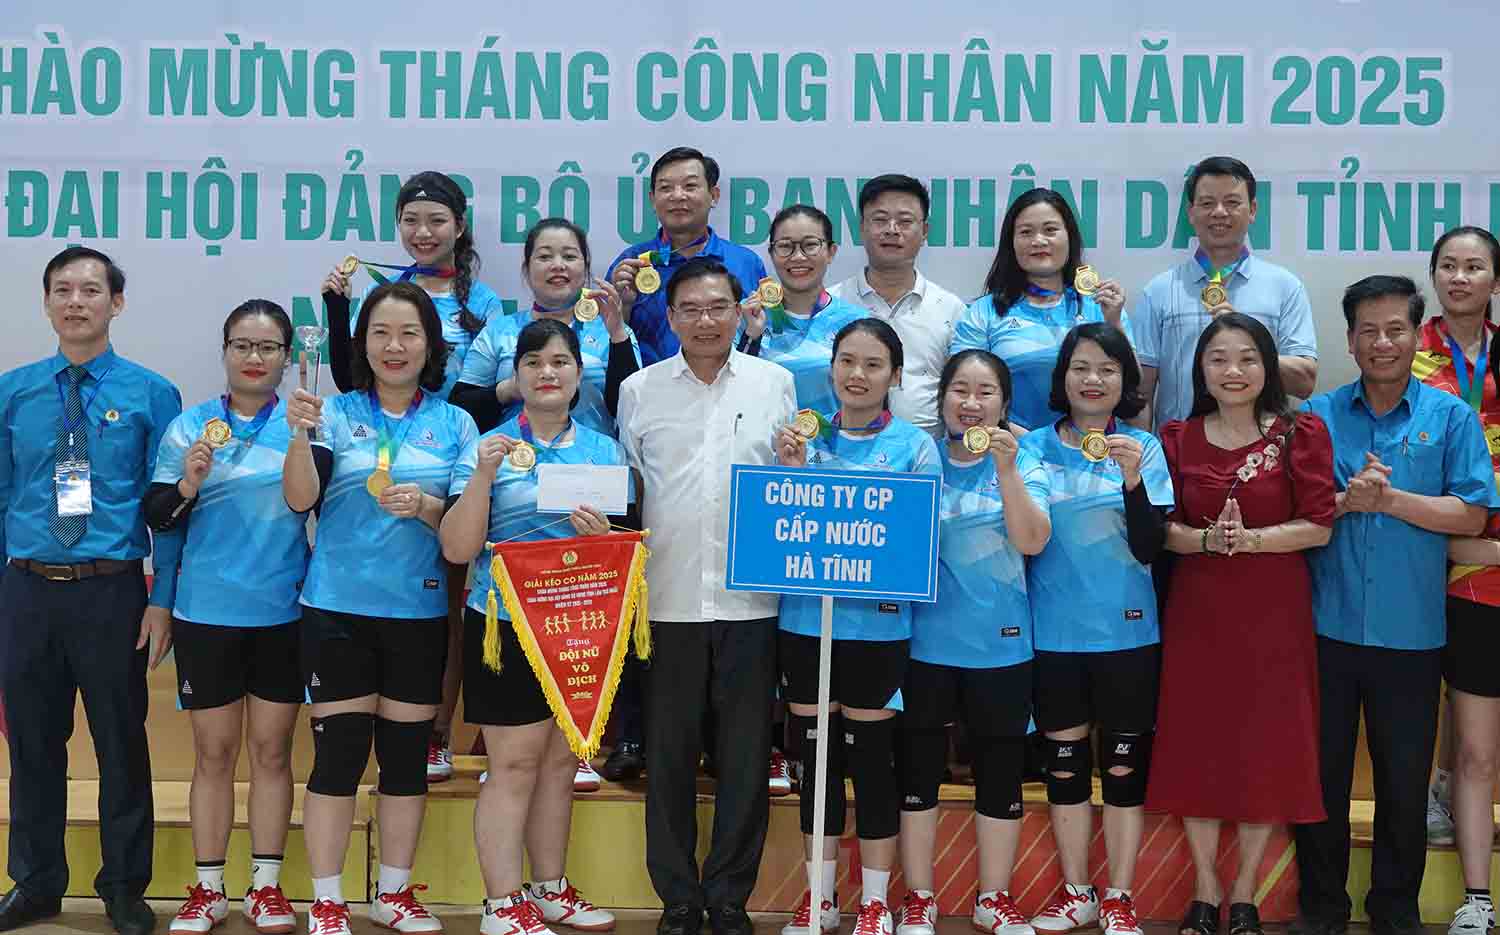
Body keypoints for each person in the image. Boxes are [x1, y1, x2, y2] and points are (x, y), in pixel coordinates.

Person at [1297, 276, 1497, 935]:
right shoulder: (1319, 416)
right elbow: (1300, 511)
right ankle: (1322, 909)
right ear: (1349, 340)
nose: (1383, 342)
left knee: (1404, 786)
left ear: (1417, 335)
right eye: (1368, 331)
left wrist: (1390, 501)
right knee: (1322, 781)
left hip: (1412, 631)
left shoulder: (1451, 417)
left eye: (1396, 329)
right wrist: (1347, 500)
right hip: (1326, 626)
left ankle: (1394, 910)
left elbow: (1471, 511)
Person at [282, 281, 479, 935]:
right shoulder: (334, 412)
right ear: (362, 343)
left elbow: (461, 532)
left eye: (409, 333)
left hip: (418, 615)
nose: (394, 347)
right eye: (380, 333)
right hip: (336, 608)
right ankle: (330, 898)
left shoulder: (455, 422)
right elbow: (298, 499)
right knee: (337, 757)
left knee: (402, 759)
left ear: (431, 345)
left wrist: (426, 507)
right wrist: (298, 435)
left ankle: (393, 893)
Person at [0, 246, 181, 935]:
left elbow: (167, 507)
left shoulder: (150, 393)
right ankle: (36, 883)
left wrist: (161, 597)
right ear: (46, 303)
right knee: (33, 747)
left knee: (120, 742)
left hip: (111, 594)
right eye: (63, 290)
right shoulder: (12, 390)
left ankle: (125, 887)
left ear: (117, 303)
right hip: (26, 590)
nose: (77, 301)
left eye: (91, 290)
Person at [616, 257, 796, 935]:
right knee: (667, 760)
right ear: (670, 317)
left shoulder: (776, 383)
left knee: (746, 760)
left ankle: (729, 898)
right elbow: (625, 493)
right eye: (689, 309)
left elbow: (791, 483)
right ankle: (678, 901)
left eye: (717, 306)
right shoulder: (639, 390)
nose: (705, 320)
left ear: (738, 309)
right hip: (666, 603)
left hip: (754, 604)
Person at [1146, 312, 1335, 935]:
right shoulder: (1174, 438)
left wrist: (1250, 542)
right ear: (1199, 369)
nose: (1234, 370)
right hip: (1199, 609)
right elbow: (1158, 531)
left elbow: (1317, 524)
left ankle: (1247, 893)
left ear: (1268, 367)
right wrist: (1203, 540)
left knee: (1266, 748)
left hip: (1273, 612)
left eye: (1248, 357)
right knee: (1195, 744)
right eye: (1219, 358)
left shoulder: (1300, 434)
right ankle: (1204, 890)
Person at [442, 319, 628, 935]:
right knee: (515, 764)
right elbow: (456, 548)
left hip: (577, 625)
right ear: (515, 376)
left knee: (557, 763)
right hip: (503, 622)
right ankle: (501, 902)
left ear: (579, 374)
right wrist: (482, 477)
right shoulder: (486, 445)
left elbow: (620, 557)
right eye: (534, 363)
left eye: (560, 362)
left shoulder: (603, 449)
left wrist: (605, 538)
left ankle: (549, 888)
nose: (548, 373)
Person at [321, 171, 503, 782]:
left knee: (452, 609)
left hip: (450, 458)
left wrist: (456, 452)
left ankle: (440, 731)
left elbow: (482, 393)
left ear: (460, 226)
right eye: (411, 222)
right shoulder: (386, 288)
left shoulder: (484, 302)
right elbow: (354, 384)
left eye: (436, 221)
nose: (422, 233)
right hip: (381, 468)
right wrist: (336, 308)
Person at [774, 319, 942, 935]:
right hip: (803, 622)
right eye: (847, 361)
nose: (857, 375)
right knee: (816, 768)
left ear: (896, 376)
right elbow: (780, 531)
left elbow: (916, 543)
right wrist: (791, 473)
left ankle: (874, 902)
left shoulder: (915, 448)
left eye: (873, 365)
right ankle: (819, 900)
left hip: (877, 628)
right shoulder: (803, 440)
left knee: (872, 763)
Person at [144, 301, 307, 935]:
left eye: (268, 348)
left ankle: (265, 888)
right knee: (214, 754)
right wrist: (186, 485)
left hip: (282, 613)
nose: (254, 358)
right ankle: (208, 887)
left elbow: (316, 502)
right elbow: (158, 515)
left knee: (271, 752)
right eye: (242, 345)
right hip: (205, 613)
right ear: (225, 352)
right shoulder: (189, 427)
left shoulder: (302, 424)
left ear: (287, 358)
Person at [1020, 325, 1173, 935]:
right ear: (1063, 378)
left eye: (1108, 369)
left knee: (1122, 768)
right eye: (1081, 367)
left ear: (1125, 383)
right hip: (1053, 635)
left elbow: (1149, 547)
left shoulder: (1144, 448)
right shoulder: (1029, 448)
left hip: (1128, 637)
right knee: (1064, 765)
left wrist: (1134, 481)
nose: (1093, 379)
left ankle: (1120, 896)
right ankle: (1077, 890)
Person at [892, 350, 1050, 935]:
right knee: (918, 773)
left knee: (1001, 773)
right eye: (960, 390)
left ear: (1005, 404)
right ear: (942, 401)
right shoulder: (919, 458)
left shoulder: (1025, 459)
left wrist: (1007, 471)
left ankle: (995, 897)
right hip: (924, 645)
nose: (971, 403)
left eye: (986, 392)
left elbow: (1032, 541)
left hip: (1002, 646)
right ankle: (920, 898)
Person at [1411, 227, 1500, 935]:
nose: (1461, 276)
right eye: (1450, 265)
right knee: (1452, 720)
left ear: (1495, 279)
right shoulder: (1404, 355)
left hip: (1491, 569)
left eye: (1475, 266)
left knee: (1479, 737)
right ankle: (1472, 889)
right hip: (1429, 558)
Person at [1132, 156, 1318, 428]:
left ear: (1252, 210)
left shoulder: (1285, 286)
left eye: (1232, 202)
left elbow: (1305, 382)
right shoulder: (1159, 291)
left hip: (1261, 460)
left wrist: (1250, 347)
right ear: (1191, 212)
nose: (1219, 212)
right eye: (1207, 203)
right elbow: (1141, 394)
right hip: (1178, 457)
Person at [950, 190, 1129, 432]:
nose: (1039, 241)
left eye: (1050, 230)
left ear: (1070, 236)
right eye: (1025, 232)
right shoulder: (984, 312)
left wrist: (1114, 323)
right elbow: (962, 391)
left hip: (1087, 453)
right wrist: (1024, 442)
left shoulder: (1101, 305)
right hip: (1009, 450)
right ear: (1010, 243)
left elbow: (1132, 391)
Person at [451, 218, 640, 438]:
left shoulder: (614, 331)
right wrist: (509, 390)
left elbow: (632, 410)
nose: (558, 265)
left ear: (586, 267)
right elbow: (460, 409)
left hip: (592, 465)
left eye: (569, 256)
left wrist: (617, 335)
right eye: (544, 257)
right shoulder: (499, 331)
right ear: (526, 268)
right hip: (512, 466)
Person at [829, 174, 966, 436]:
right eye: (880, 220)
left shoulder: (951, 310)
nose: (892, 230)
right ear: (861, 227)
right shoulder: (832, 304)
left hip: (924, 460)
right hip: (841, 460)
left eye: (905, 222)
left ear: (924, 231)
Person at [607, 147, 768, 366]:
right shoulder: (630, 264)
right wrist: (623, 307)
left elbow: (762, 337)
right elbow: (606, 344)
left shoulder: (746, 263)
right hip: (651, 394)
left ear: (714, 195)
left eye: (690, 186)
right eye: (666, 188)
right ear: (653, 200)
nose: (678, 196)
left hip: (730, 392)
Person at [741, 204, 870, 416]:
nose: (798, 257)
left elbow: (872, 400)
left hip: (833, 447)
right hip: (764, 446)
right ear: (771, 253)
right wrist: (751, 336)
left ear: (831, 252)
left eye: (810, 245)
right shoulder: (749, 315)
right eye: (785, 246)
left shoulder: (858, 323)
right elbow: (731, 388)